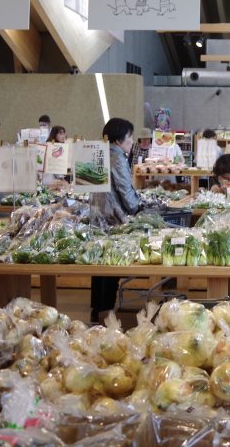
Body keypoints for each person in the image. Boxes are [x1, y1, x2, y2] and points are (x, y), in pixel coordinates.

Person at [89, 117, 143, 322]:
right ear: (120, 139)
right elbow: (125, 190)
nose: (132, 142)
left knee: (98, 265)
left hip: (96, 216)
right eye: (130, 137)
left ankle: (96, 309)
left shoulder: (96, 153)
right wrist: (137, 208)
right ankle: (106, 312)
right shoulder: (118, 157)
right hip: (113, 218)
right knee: (111, 265)